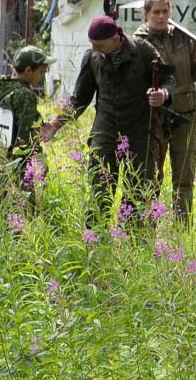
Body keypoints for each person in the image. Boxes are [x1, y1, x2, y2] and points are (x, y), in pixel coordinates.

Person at [63, 15, 166, 224]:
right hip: (106, 130)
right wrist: (57, 123)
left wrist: (163, 94)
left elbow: (168, 79)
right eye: (92, 44)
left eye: (99, 44)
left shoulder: (144, 51)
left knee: (138, 191)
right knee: (100, 187)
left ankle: (133, 243)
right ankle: (96, 238)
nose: (94, 49)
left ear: (115, 39)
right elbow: (80, 99)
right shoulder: (92, 58)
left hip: (139, 131)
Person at [135, 0, 196, 221]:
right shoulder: (138, 41)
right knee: (151, 178)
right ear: (146, 13)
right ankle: (147, 232)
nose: (162, 16)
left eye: (165, 11)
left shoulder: (183, 36)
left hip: (186, 116)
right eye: (156, 12)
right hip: (155, 120)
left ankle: (182, 234)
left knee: (184, 180)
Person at [0, 46, 55, 190]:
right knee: (24, 206)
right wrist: (39, 161)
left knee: (2, 199)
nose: (42, 76)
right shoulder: (25, 95)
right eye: (41, 72)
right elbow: (26, 134)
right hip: (19, 161)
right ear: (28, 71)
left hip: (0, 153)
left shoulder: (1, 85)